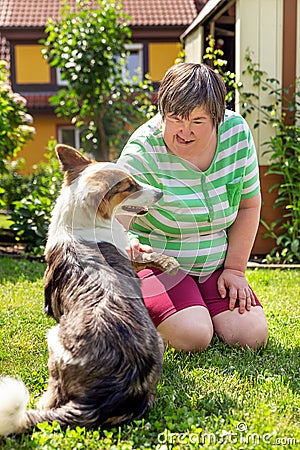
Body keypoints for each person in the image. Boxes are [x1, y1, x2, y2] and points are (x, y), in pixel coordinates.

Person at [117, 62, 268, 352]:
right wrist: (130, 244)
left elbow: (249, 206)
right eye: (175, 118)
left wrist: (235, 271)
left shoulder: (236, 135)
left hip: (214, 265)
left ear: (217, 118)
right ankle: (148, 308)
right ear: (162, 112)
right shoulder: (142, 154)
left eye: (198, 121)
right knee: (194, 336)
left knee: (252, 335)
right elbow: (113, 224)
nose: (184, 131)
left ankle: (195, 302)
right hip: (159, 263)